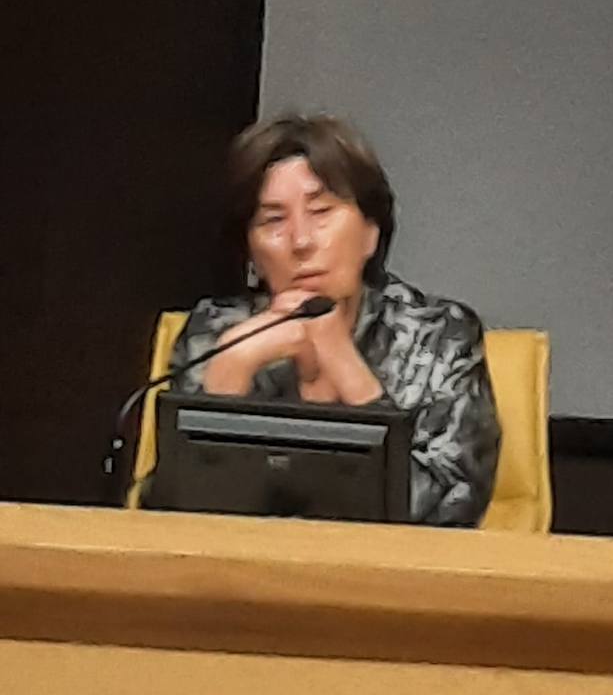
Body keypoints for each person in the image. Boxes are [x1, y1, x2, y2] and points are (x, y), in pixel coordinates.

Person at [164, 114, 500, 526]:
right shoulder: (214, 333)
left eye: (321, 211)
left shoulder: (438, 337)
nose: (301, 241)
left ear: (370, 233)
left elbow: (448, 514)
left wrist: (343, 362)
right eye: (273, 220)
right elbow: (169, 523)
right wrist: (230, 372)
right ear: (251, 253)